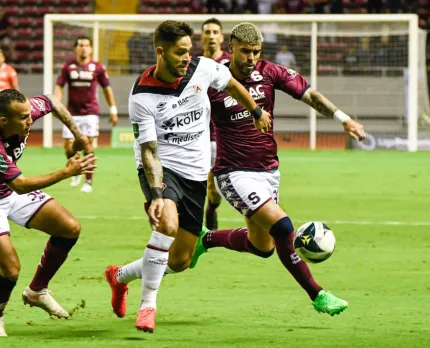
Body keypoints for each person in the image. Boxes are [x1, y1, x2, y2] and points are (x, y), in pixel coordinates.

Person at [104, 20, 271, 333]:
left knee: (180, 260)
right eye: (180, 52)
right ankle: (147, 306)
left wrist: (255, 111)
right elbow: (150, 152)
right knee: (166, 224)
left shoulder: (203, 68)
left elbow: (232, 83)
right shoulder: (142, 97)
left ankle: (119, 276)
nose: (186, 58)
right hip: (162, 168)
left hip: (196, 172)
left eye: (188, 51)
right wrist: (155, 195)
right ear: (161, 52)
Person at [188, 23, 366, 314]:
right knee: (284, 227)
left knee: (263, 247)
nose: (250, 58)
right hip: (233, 173)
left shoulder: (268, 72)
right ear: (231, 48)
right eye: (245, 51)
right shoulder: (213, 78)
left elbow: (308, 94)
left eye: (256, 52)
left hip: (268, 171)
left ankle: (204, 239)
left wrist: (342, 118)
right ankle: (318, 295)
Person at [0, 89, 96, 337]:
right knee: (10, 269)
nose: (30, 120)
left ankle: (37, 291)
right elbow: (20, 185)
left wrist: (79, 135)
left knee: (69, 228)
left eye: (29, 114)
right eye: (23, 118)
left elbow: (52, 101)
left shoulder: (24, 110)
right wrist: (67, 172)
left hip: (8, 189)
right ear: (3, 120)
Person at [55, 36, 118, 193]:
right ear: (76, 48)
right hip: (71, 113)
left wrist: (113, 109)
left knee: (87, 145)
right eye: (81, 45)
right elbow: (59, 86)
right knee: (68, 147)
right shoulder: (67, 66)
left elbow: (106, 88)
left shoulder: (98, 67)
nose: (83, 48)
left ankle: (88, 182)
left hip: (90, 112)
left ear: (90, 49)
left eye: (86, 45)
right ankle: (76, 169)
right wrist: (56, 103)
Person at [198, 18, 231, 230]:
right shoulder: (193, 63)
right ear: (201, 37)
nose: (211, 36)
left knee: (213, 185)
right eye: (207, 32)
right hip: (197, 132)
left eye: (214, 32)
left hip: (222, 132)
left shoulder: (231, 63)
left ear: (221, 37)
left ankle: (211, 207)